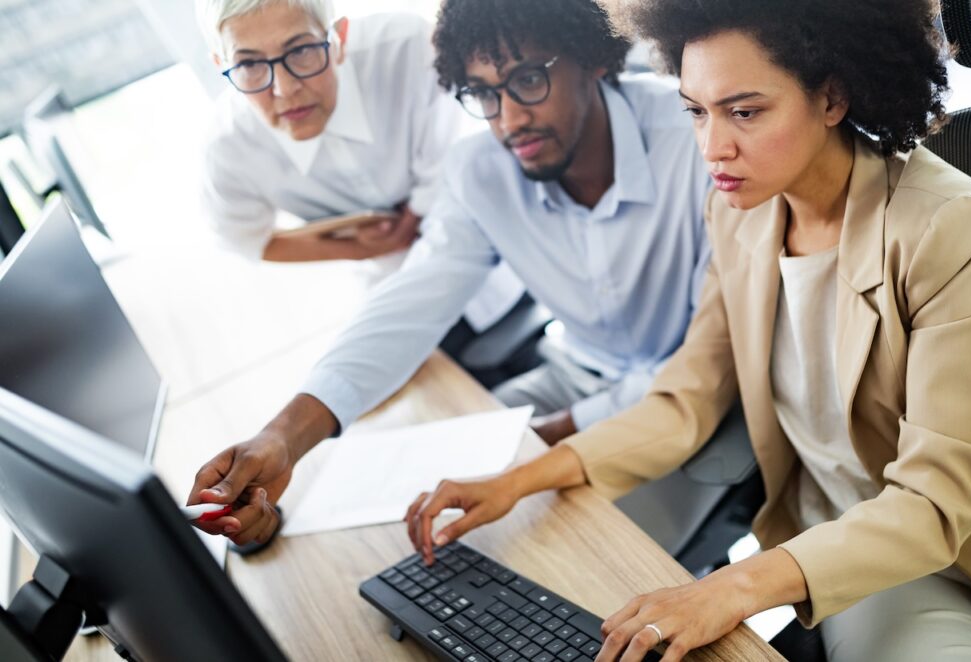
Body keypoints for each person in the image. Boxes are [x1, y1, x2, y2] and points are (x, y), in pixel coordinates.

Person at [405, 1, 971, 660]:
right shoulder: (740, 214)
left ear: (832, 97)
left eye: (745, 112)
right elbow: (686, 401)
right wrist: (521, 477)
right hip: (848, 552)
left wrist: (730, 588)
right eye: (697, 111)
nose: (713, 146)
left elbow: (935, 502)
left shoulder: (951, 227)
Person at [187, 0, 712, 547]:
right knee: (417, 497)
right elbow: (408, 306)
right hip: (581, 376)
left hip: (701, 408)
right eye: (483, 94)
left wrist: (547, 438)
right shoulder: (482, 171)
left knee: (558, 553)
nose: (508, 121)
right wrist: (282, 439)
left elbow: (709, 363)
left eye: (529, 80)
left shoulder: (697, 140)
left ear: (593, 59)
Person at [195, 0, 524, 332]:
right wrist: (356, 249)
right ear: (221, 65)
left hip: (502, 258)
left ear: (340, 38)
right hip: (397, 299)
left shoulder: (407, 47)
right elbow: (243, 239)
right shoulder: (228, 147)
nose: (284, 88)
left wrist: (408, 222)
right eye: (249, 64)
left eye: (301, 51)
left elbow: (450, 162)